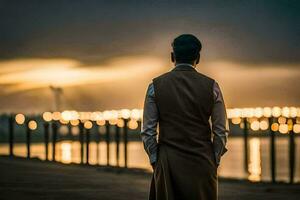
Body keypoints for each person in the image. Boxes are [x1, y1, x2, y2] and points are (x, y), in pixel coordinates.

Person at [141, 34, 229, 200]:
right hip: (202, 161)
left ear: (172, 57)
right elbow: (221, 131)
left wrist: (156, 160)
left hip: (168, 162)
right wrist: (214, 159)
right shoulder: (212, 87)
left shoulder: (155, 86)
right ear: (198, 57)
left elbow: (148, 131)